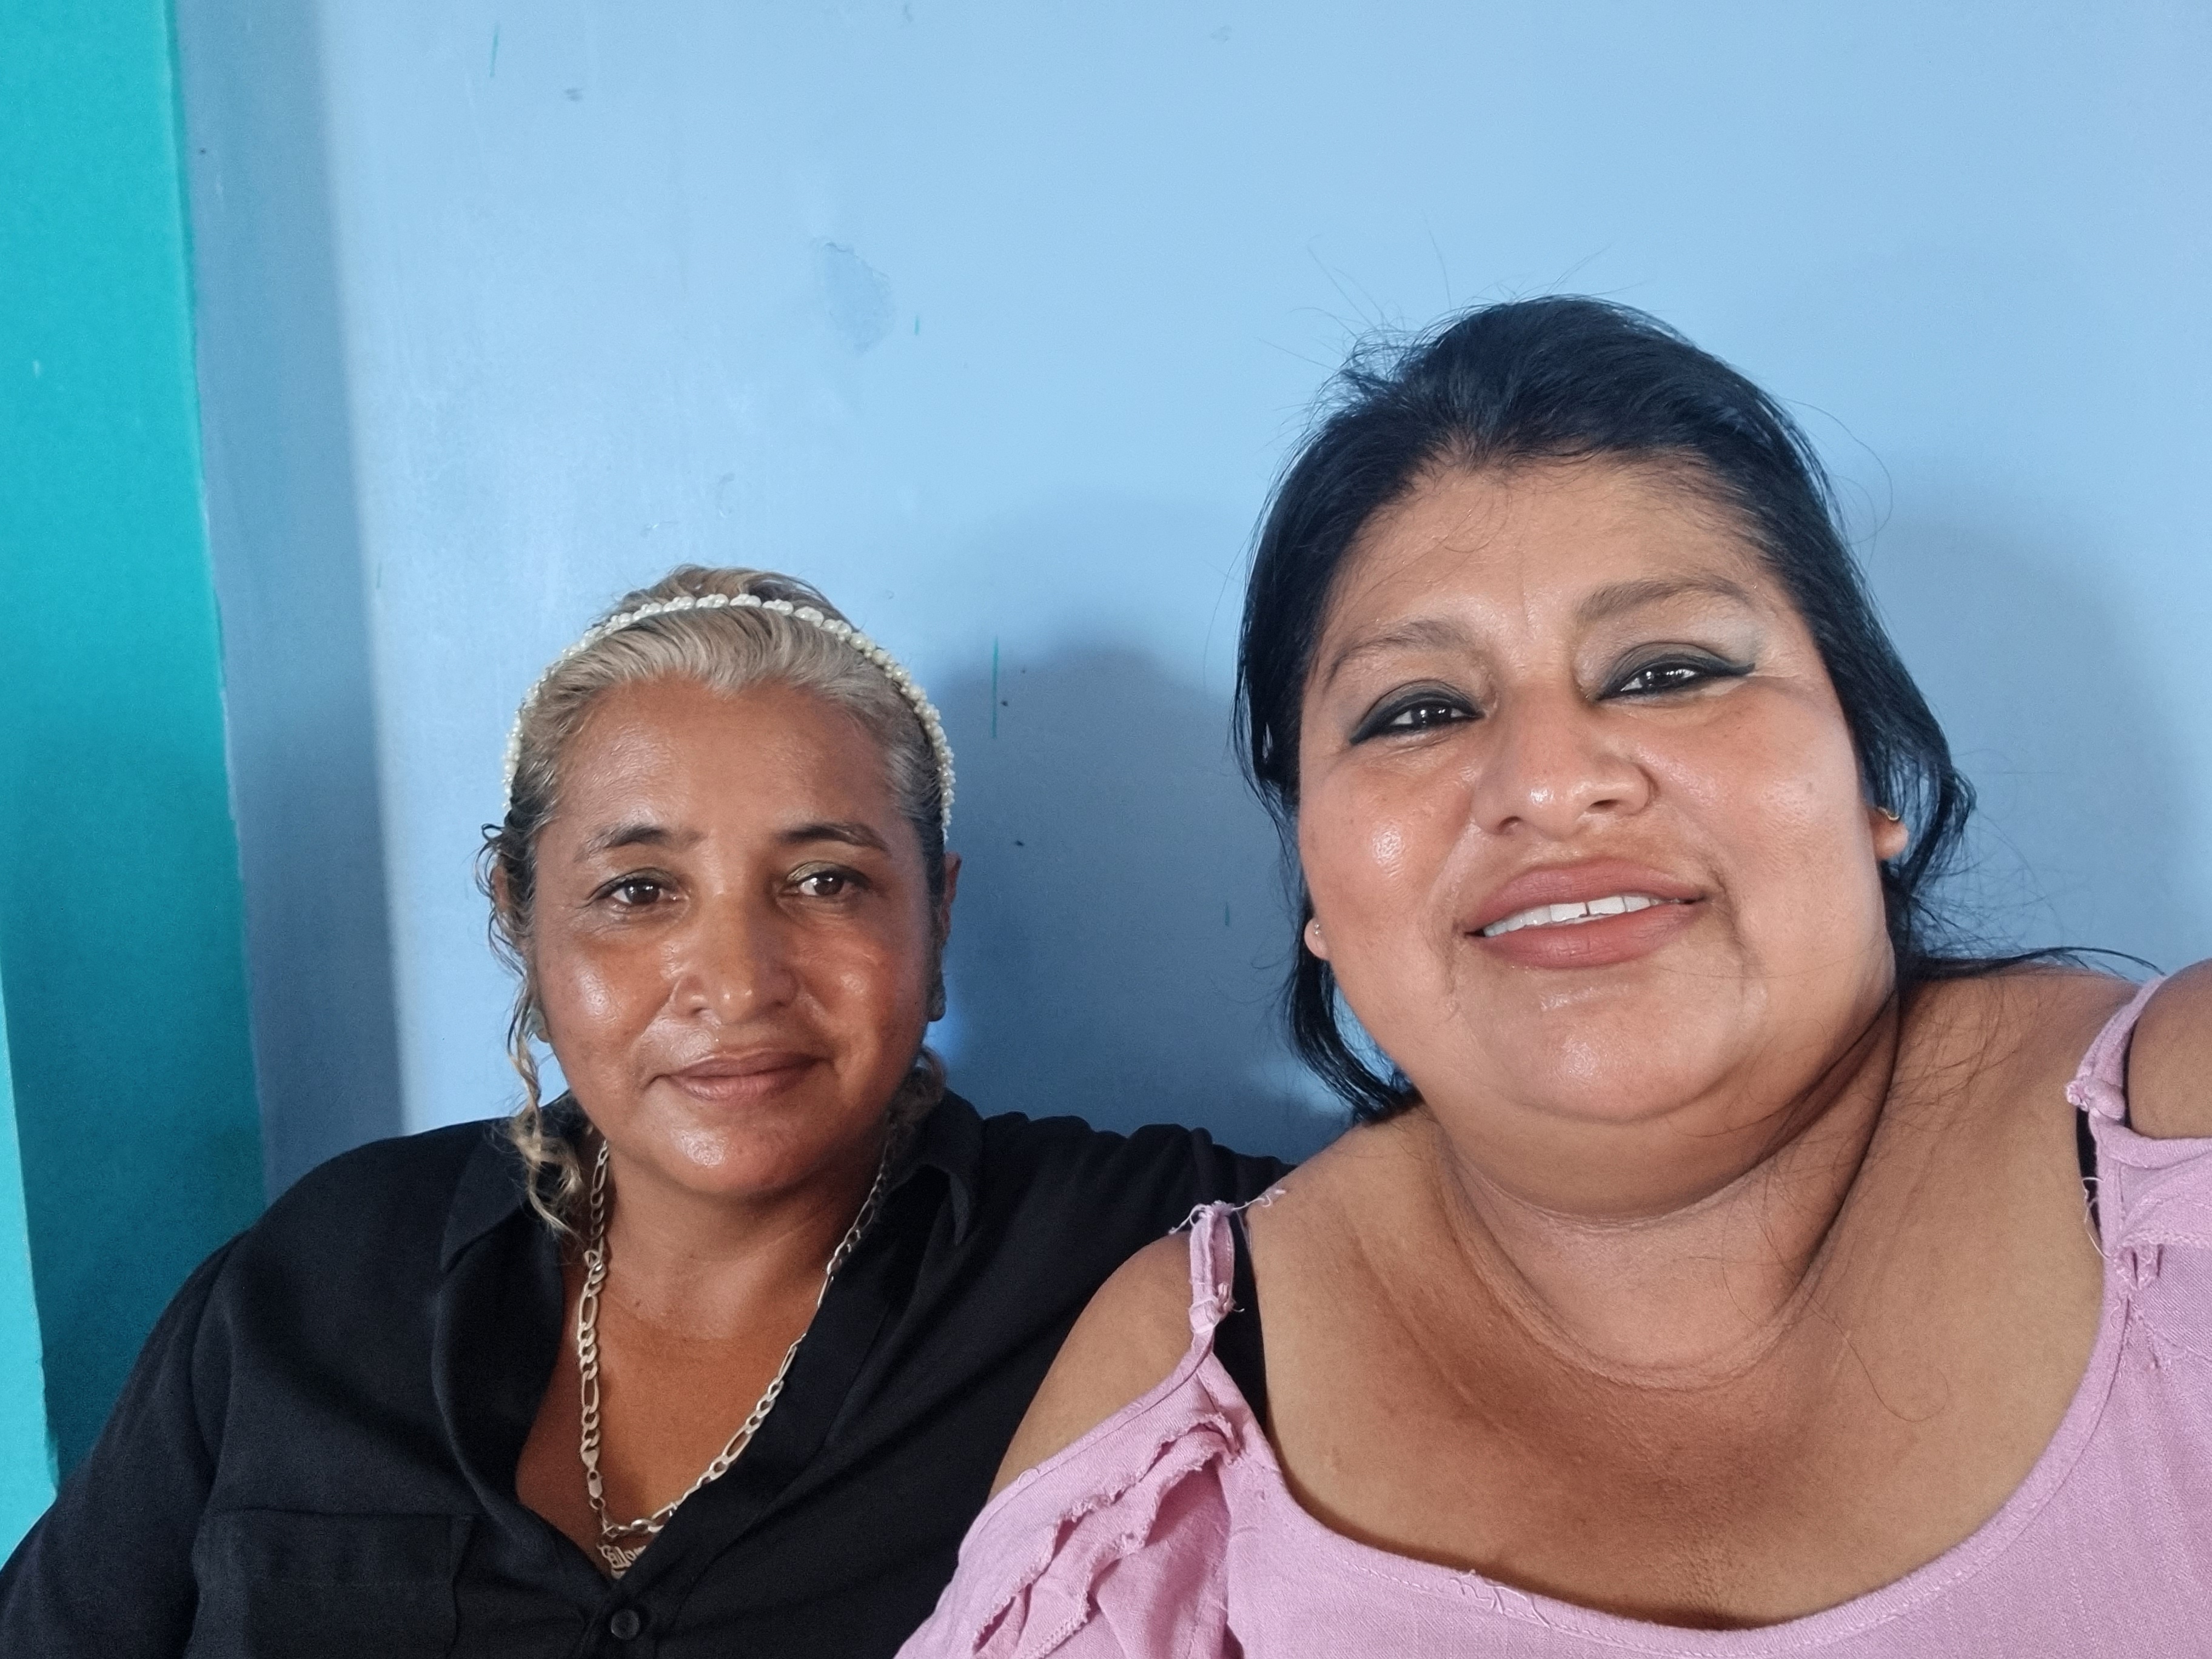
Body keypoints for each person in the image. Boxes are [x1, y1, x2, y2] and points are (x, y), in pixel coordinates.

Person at [900, 298, 2212, 1658]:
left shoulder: (2178, 1136)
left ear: (1868, 779)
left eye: (1667, 672)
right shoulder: (1188, 1406)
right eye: (1419, 711)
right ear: (1320, 895)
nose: (1549, 781)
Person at [0, 567, 1287, 1658]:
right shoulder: (323, 1276)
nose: (736, 981)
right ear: (520, 917)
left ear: (937, 916)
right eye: (639, 890)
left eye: (826, 880)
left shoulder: (1134, 1251)